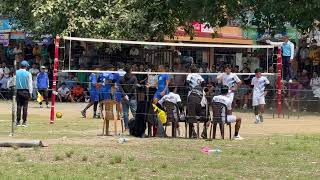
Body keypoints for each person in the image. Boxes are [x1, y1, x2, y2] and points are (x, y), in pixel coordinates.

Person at [186, 65, 208, 138]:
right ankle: (204, 131)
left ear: (190, 70)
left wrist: (190, 87)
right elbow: (204, 83)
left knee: (190, 112)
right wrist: (201, 88)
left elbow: (187, 81)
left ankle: (193, 131)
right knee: (206, 111)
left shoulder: (190, 74)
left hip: (191, 94)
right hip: (200, 94)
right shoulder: (199, 75)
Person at [119, 65, 138, 132]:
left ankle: (126, 128)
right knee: (135, 113)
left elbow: (120, 87)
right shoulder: (134, 78)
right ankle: (136, 127)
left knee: (125, 113)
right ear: (131, 70)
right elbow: (134, 87)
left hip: (124, 98)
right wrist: (129, 94)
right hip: (132, 97)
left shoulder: (121, 78)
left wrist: (124, 95)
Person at [16, 60, 33, 127]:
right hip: (26, 91)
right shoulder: (28, 73)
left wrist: (9, 87)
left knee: (18, 107)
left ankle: (17, 122)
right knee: (25, 107)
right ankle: (24, 122)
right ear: (25, 66)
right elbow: (30, 84)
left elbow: (11, 81)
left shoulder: (16, 72)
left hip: (18, 91)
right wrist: (31, 93)